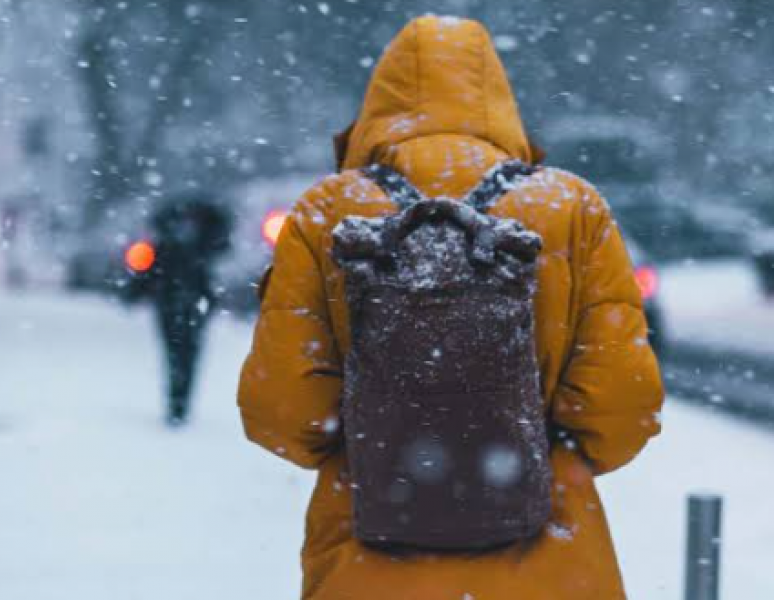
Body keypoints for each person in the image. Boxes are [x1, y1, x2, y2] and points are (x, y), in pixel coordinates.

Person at [238, 15, 663, 600]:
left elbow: (281, 413)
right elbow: (621, 410)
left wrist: (386, 444)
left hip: (366, 556)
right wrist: (520, 454)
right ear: (497, 99)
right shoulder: (571, 207)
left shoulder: (327, 212)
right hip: (551, 563)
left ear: (378, 104)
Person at [129, 191, 231, 426]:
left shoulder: (170, 242)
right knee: (186, 353)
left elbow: (148, 272)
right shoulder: (204, 243)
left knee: (177, 353)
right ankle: (180, 402)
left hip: (175, 302)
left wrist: (136, 291)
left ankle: (177, 401)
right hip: (189, 303)